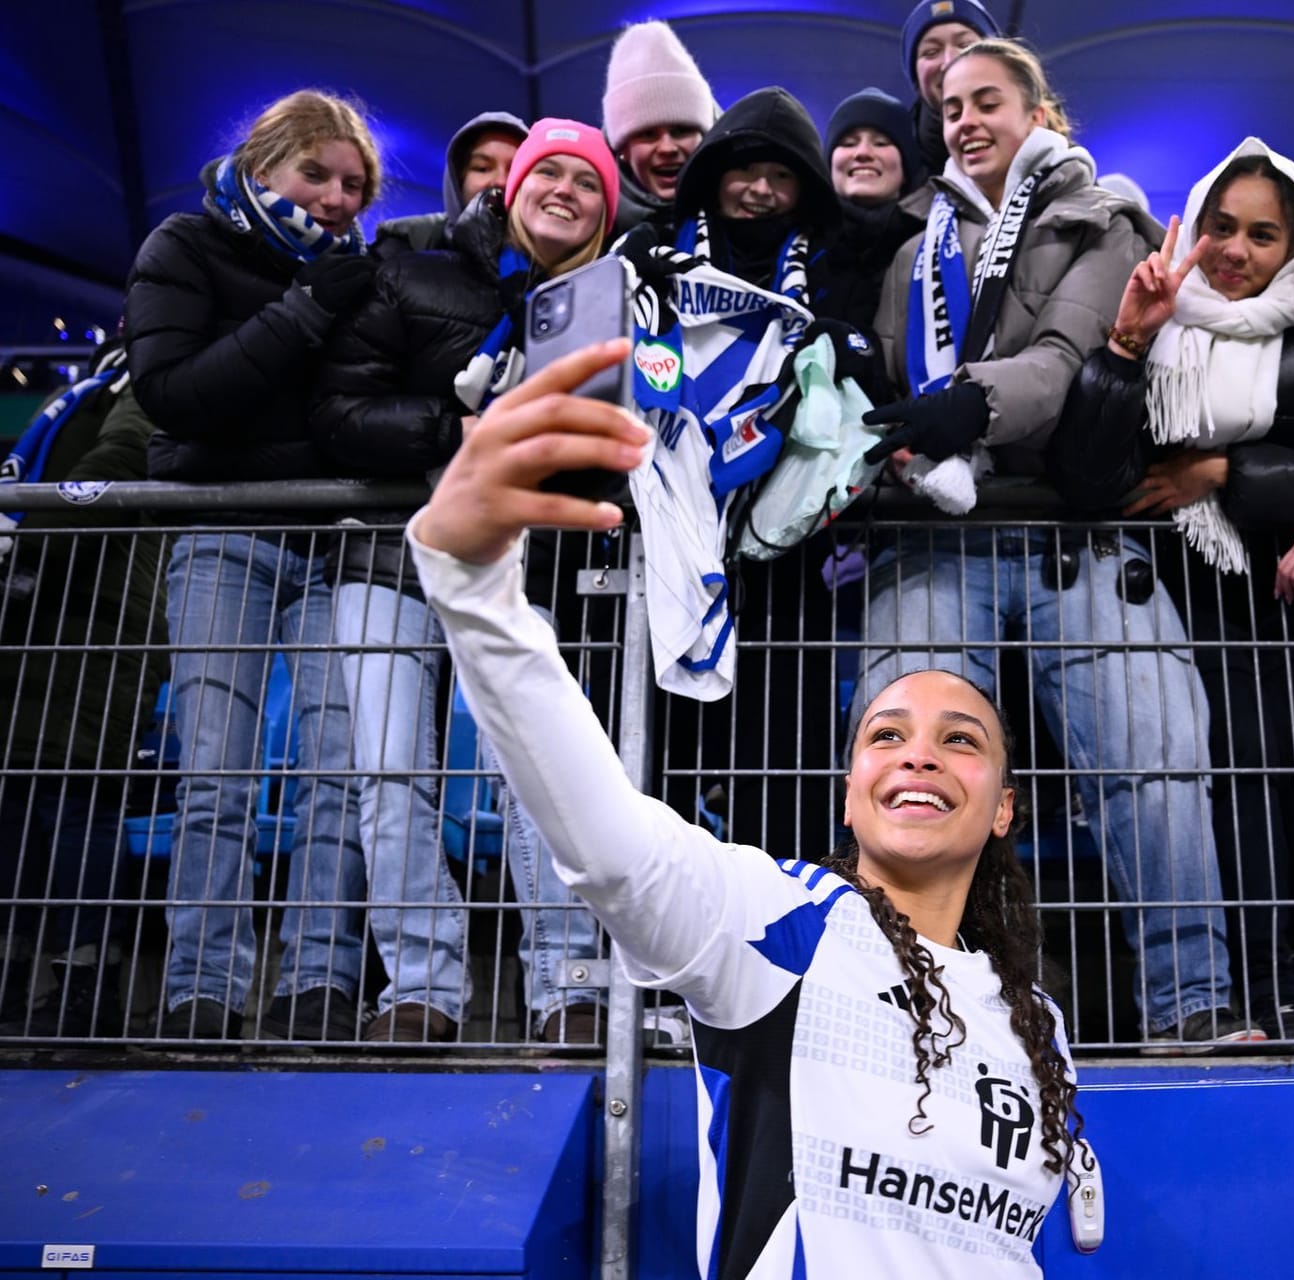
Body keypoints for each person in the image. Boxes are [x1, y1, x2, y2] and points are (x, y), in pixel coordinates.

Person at [407, 338, 1083, 1278]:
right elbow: (609, 849)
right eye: (885, 736)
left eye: (960, 738)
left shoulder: (1036, 1024)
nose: (919, 752)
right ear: (851, 797)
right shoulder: (776, 922)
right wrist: (475, 591)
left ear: (1004, 809)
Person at [854, 39, 1251, 1051]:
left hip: (1072, 537)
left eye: (989, 101)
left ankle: (1193, 1004)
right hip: (939, 538)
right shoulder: (911, 250)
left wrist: (962, 404)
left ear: (1042, 115)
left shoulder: (1099, 217)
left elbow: (1067, 364)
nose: (967, 121)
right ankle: (916, 1010)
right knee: (914, 779)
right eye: (950, 109)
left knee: (1152, 766)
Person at [1049, 138, 1294, 1044]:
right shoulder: (1157, 310)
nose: (1237, 251)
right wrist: (1128, 343)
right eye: (1221, 228)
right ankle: (1237, 1000)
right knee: (1209, 798)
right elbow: (1091, 471)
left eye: (1263, 234)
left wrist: (1223, 472)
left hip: (1286, 587)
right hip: (1166, 593)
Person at [310, 119, 618, 1044]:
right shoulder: (413, 268)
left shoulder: (611, 304)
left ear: (609, 209)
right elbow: (340, 413)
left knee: (539, 780)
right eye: (547, 173)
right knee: (391, 774)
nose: (565, 190)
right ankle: (420, 991)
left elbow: (602, 455)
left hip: (527, 577)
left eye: (588, 182)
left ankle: (566, 988)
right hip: (391, 563)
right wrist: (467, 438)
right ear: (511, 186)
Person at [123, 89, 379, 1042]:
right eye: (315, 174)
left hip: (331, 546)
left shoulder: (358, 274)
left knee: (336, 773)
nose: (336, 198)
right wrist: (307, 310)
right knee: (217, 779)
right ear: (263, 163)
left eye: (354, 185)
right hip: (223, 538)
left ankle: (320, 985)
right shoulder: (185, 247)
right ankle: (202, 991)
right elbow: (178, 396)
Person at [0, 347, 162, 1038]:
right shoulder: (98, 381)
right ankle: (17, 977)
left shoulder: (148, 382)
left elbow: (119, 463)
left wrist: (24, 531)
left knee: (77, 802)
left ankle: (85, 985)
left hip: (100, 618)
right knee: (19, 803)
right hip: (41, 618)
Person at [812, 87, 927, 334]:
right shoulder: (802, 245)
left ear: (907, 166)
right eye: (848, 143)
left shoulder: (935, 248)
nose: (863, 153)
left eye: (881, 142)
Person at [601, 20, 720, 240]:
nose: (667, 148)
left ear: (705, 137)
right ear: (622, 150)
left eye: (681, 130)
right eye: (647, 134)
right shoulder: (591, 229)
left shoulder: (742, 213)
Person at [371, 112, 527, 257]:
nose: (501, 181)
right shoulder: (404, 246)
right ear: (458, 181)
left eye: (515, 170)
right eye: (482, 168)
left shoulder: (548, 259)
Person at [900, 0, 1001, 181]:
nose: (948, 62)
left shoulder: (1048, 150)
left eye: (965, 45)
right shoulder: (895, 163)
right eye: (931, 52)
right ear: (915, 76)